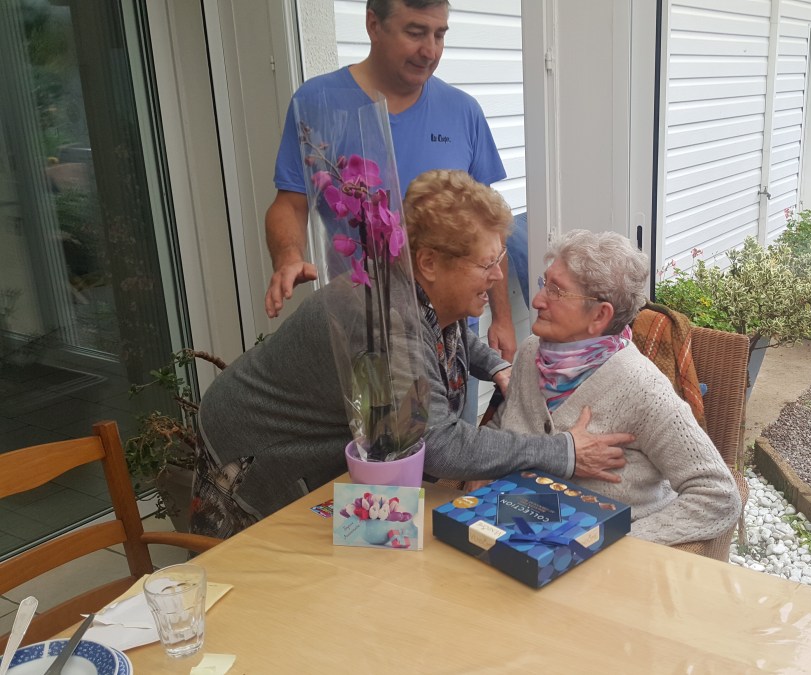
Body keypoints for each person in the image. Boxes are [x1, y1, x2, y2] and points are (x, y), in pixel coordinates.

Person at [191, 171, 630, 538]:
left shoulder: (413, 291)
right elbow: (438, 444)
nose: (499, 277)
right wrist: (563, 451)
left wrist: (495, 365)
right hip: (251, 458)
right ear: (430, 263)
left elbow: (442, 333)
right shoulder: (383, 325)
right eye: (486, 264)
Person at [264, 0, 518, 368]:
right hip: (361, 328)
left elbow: (490, 230)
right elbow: (290, 202)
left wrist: (503, 318)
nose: (430, 51)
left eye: (439, 35)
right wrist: (289, 257)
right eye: (415, 32)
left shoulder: (463, 111)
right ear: (373, 25)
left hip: (450, 333)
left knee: (447, 410)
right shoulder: (318, 102)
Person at [491, 230, 741, 547]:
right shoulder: (530, 352)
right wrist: (484, 473)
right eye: (545, 283)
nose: (538, 300)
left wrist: (615, 543)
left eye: (556, 291)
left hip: (599, 558)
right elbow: (507, 421)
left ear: (600, 315)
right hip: (518, 530)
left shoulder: (644, 389)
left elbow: (718, 495)